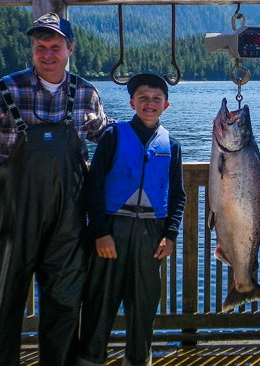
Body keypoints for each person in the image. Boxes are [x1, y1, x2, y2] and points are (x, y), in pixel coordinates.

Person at [0, 12, 109, 366]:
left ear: (70, 48)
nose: (47, 53)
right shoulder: (2, 91)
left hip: (68, 221)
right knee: (5, 300)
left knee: (65, 302)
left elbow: (106, 136)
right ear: (32, 50)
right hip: (13, 220)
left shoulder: (86, 93)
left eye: (55, 46)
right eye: (40, 47)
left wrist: (150, 133)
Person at [77, 73, 186, 366]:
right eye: (143, 98)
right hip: (112, 229)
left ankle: (138, 359)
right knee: (101, 301)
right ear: (132, 103)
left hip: (152, 234)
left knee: (144, 304)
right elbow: (93, 186)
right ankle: (90, 359)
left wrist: (171, 235)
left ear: (166, 105)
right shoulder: (113, 136)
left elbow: (178, 196)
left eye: (156, 99)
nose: (149, 104)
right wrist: (100, 231)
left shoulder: (171, 145)